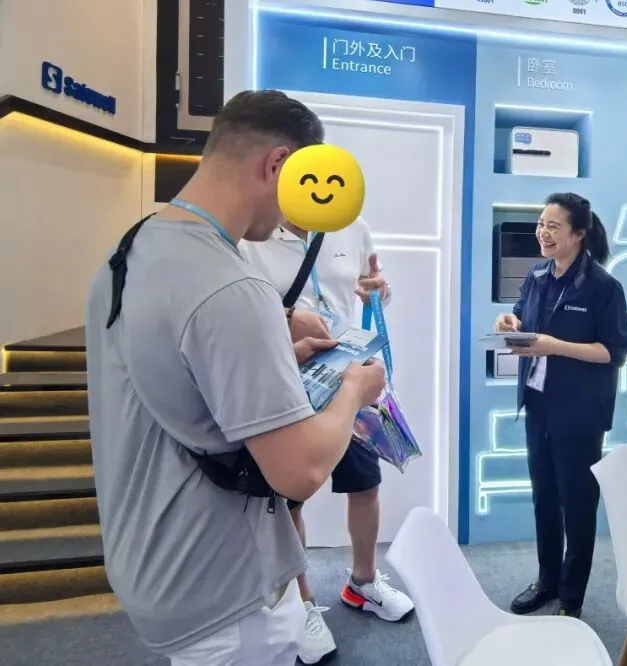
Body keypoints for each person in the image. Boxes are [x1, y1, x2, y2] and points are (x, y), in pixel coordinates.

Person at [85, 90, 387, 665]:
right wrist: (354, 389)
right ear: (278, 165)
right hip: (227, 589)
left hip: (154, 566)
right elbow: (299, 472)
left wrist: (276, 358)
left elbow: (174, 382)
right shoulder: (233, 286)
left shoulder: (129, 251)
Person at [241, 217, 414, 665]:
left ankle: (364, 582)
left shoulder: (352, 227)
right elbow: (238, 310)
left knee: (366, 483)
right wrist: (287, 320)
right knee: (290, 497)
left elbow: (375, 288)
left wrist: (379, 290)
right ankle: (300, 604)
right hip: (287, 378)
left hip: (347, 374)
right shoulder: (253, 232)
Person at [493, 192, 627, 619]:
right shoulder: (537, 275)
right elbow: (522, 315)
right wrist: (509, 322)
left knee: (577, 504)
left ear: (578, 234)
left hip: (580, 413)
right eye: (541, 224)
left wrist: (556, 346)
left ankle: (571, 598)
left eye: (553, 226)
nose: (543, 233)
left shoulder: (604, 287)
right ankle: (547, 580)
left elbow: (613, 352)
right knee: (544, 498)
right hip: (538, 403)